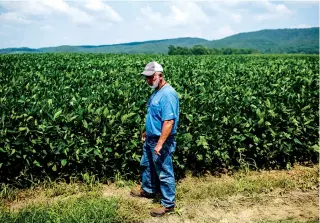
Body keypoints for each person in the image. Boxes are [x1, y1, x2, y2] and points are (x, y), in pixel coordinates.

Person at [130, 61, 180, 217]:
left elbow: (169, 122)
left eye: (151, 77)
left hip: (161, 141)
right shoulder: (156, 92)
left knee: (164, 172)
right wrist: (147, 131)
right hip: (151, 138)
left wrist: (160, 144)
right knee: (147, 165)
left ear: (160, 75)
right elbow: (155, 116)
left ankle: (168, 204)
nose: (148, 80)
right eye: (147, 78)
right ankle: (149, 190)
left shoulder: (168, 94)